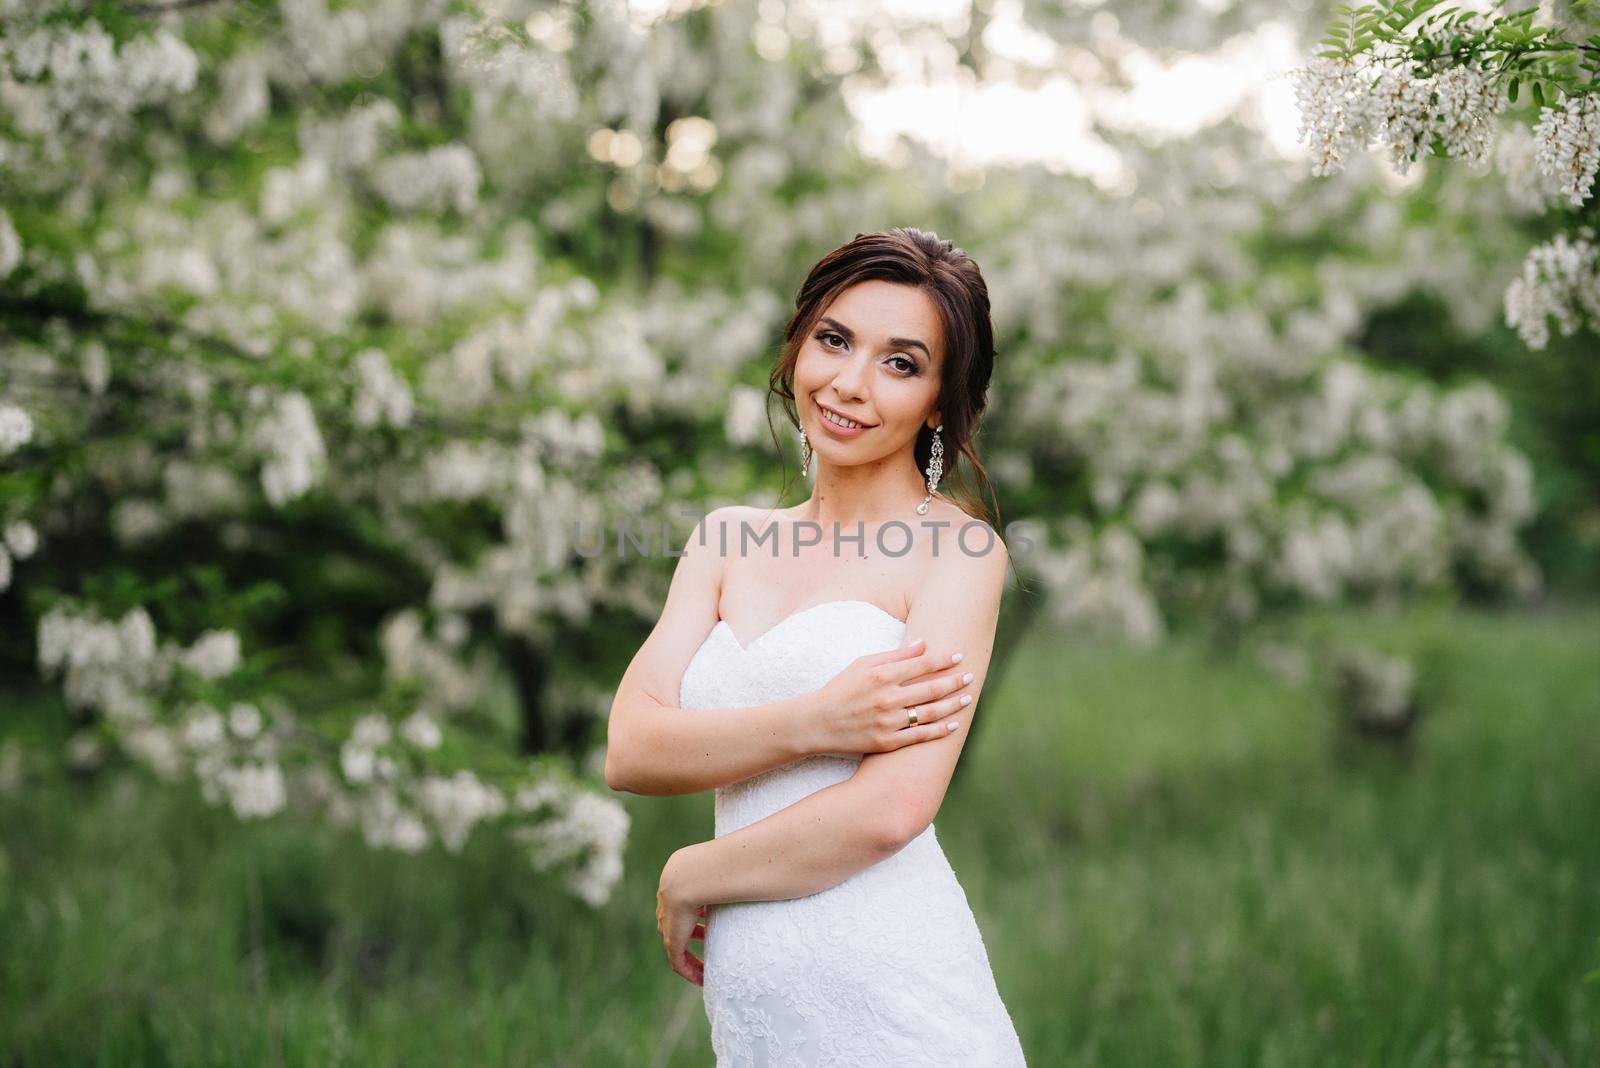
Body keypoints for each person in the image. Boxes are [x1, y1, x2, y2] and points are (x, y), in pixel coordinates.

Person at [605, 227, 1026, 1066]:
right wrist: (818, 721)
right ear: (799, 346)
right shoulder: (727, 539)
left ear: (941, 401)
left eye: (900, 363)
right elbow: (631, 747)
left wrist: (694, 873)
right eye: (835, 341)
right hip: (759, 1011)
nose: (850, 383)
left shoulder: (958, 552)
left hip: (897, 998)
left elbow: (890, 810)